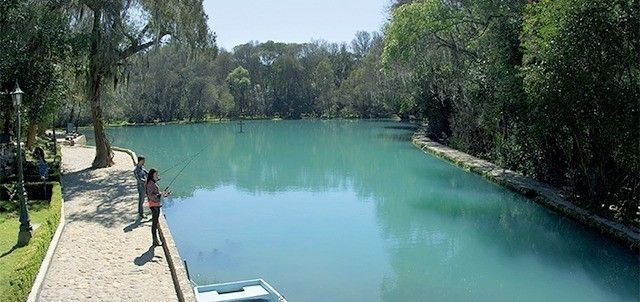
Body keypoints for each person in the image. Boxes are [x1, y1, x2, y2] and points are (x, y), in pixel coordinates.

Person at [146, 168, 170, 246]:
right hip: (153, 205)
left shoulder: (154, 183)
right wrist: (160, 195)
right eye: (156, 174)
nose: (157, 176)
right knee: (154, 223)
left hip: (156, 204)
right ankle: (155, 240)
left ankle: (156, 240)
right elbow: (151, 195)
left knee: (155, 223)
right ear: (152, 175)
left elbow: (157, 193)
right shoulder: (150, 184)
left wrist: (165, 194)